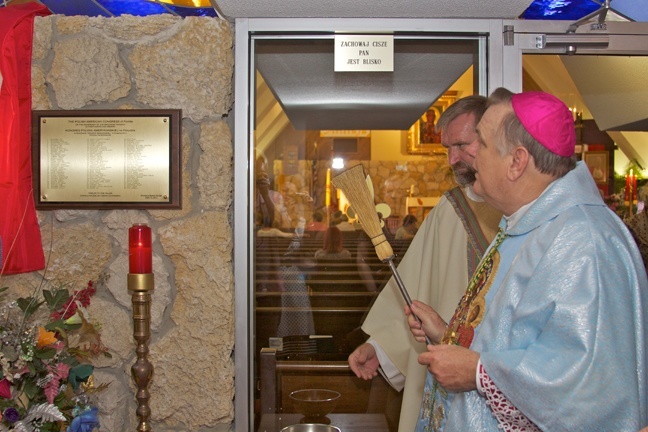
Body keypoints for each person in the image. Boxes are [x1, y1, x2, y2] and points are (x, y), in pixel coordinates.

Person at [408, 89, 648, 431]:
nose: (473, 157)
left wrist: (477, 372)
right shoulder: (527, 224)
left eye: (483, 145)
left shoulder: (585, 242)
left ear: (517, 162)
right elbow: (519, 338)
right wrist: (449, 335)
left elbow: (587, 384)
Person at [348, 95, 502, 431]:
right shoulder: (449, 210)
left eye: (462, 145)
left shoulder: (528, 212)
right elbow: (415, 290)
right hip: (452, 389)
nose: (452, 159)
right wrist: (381, 348)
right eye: (447, 148)